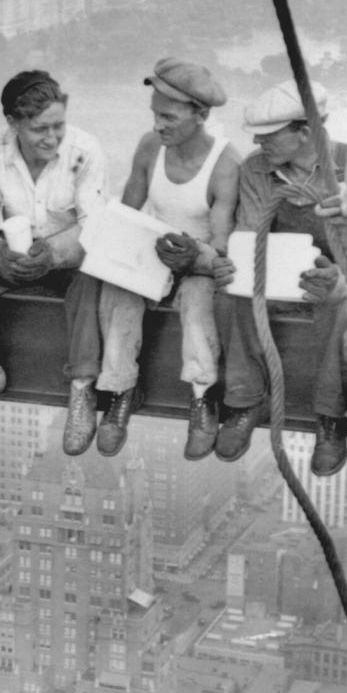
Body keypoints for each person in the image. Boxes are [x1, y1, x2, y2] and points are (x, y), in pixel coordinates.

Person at [214, 79, 347, 473]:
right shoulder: (256, 169)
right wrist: (237, 267)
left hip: (336, 274)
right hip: (276, 271)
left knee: (343, 307)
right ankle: (245, 400)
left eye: (269, 135)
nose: (258, 142)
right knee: (231, 294)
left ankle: (329, 417)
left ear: (305, 133)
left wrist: (336, 280)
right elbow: (250, 235)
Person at [0, 71, 108, 451]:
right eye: (39, 129)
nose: (52, 138)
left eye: (58, 126)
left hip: (68, 254)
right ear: (13, 123)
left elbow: (93, 226)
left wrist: (52, 254)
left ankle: (82, 386)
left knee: (92, 274)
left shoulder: (85, 150)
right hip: (15, 250)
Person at [98, 58, 240, 458]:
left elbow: (222, 242)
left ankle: (202, 396)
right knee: (119, 291)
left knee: (197, 302)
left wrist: (195, 256)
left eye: (168, 117)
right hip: (154, 251)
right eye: (155, 115)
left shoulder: (225, 164)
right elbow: (128, 211)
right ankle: (121, 389)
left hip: (198, 261)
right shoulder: (150, 147)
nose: (158, 125)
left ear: (201, 115)